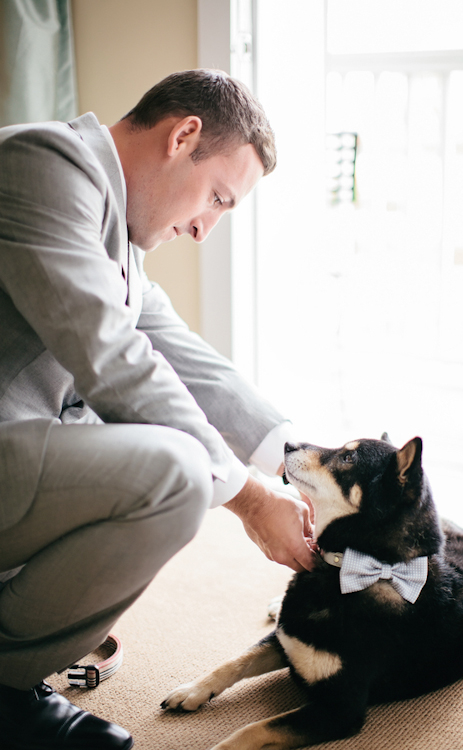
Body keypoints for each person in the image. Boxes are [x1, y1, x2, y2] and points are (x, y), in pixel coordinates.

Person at [0, 68, 314, 749]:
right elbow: (110, 355)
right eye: (217, 199)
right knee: (175, 471)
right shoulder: (44, 164)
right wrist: (252, 501)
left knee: (174, 453)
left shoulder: (122, 242)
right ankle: (1, 691)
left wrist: (301, 467)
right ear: (184, 135)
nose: (205, 230)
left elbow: (189, 360)